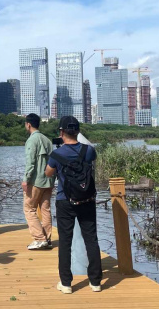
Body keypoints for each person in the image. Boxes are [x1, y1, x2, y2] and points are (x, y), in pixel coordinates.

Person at [44, 115, 102, 294]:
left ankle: (66, 283)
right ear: (77, 131)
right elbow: (92, 160)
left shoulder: (57, 154)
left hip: (65, 200)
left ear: (61, 132)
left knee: (65, 241)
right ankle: (95, 282)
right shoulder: (89, 151)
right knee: (91, 239)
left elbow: (48, 173)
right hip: (87, 200)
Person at [22, 113, 55, 250]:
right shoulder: (47, 140)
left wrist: (26, 180)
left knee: (29, 208)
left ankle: (39, 238)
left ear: (28, 124)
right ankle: (47, 238)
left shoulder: (31, 140)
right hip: (49, 180)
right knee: (45, 209)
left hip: (36, 180)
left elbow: (31, 162)